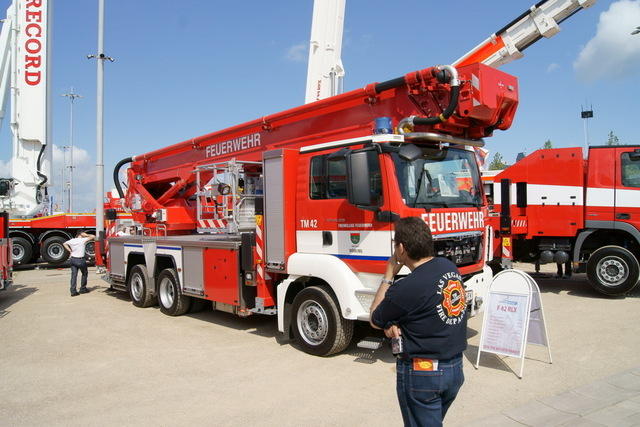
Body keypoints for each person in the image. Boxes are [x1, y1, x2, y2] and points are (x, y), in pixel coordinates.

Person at [370, 217, 467, 427]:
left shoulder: (406, 287)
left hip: (424, 375)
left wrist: (388, 274)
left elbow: (375, 318)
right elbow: (427, 311)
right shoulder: (448, 267)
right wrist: (395, 323)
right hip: (455, 369)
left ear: (401, 249)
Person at [63, 231, 95, 297]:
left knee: (74, 276)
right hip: (80, 260)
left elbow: (64, 244)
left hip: (72, 259)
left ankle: (73, 291)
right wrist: (86, 235)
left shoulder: (71, 240)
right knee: (84, 273)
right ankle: (83, 289)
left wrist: (70, 250)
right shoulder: (82, 240)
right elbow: (93, 236)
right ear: (81, 235)